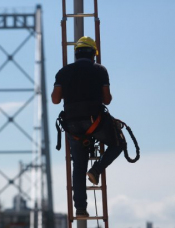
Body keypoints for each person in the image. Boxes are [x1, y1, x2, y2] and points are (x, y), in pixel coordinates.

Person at [51, 36, 125, 217]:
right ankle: (97, 170)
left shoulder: (63, 72)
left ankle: (81, 209)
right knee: (119, 144)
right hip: (95, 122)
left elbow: (55, 99)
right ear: (93, 54)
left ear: (76, 54)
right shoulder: (100, 70)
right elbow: (107, 99)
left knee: (78, 165)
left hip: (72, 124)